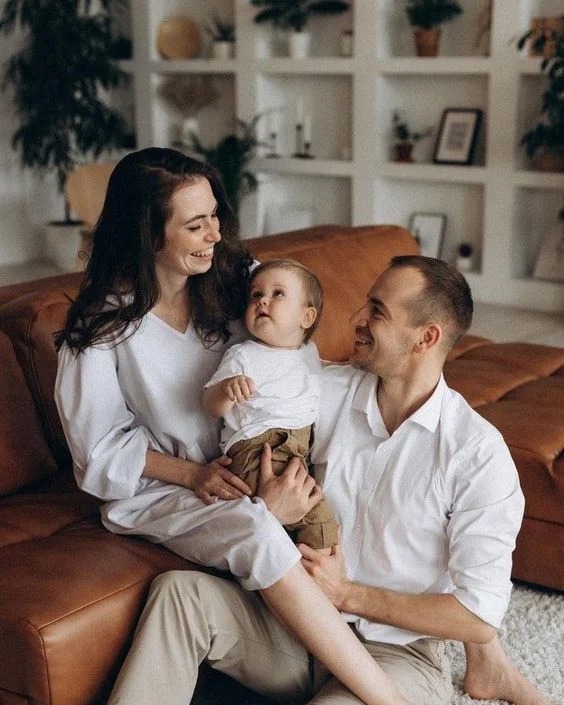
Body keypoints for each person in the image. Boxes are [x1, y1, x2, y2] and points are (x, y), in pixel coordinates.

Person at [54, 147, 415, 705]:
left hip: (251, 464)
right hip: (164, 488)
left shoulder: (234, 285)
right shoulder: (101, 328)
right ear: (149, 234)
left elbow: (297, 325)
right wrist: (196, 477)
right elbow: (97, 452)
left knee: (333, 492)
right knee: (255, 528)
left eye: (215, 217)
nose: (214, 236)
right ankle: (383, 696)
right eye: (195, 226)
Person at [106, 254, 551, 705]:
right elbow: (238, 416)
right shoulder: (319, 389)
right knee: (178, 595)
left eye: (376, 310)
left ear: (426, 338)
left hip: (398, 655)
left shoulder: (476, 454)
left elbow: (476, 617)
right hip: (294, 629)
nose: (356, 319)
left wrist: (349, 595)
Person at [203, 258, 339, 550]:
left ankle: (306, 574)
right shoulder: (243, 355)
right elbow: (211, 405)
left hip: (298, 451)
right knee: (317, 517)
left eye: (278, 293)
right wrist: (227, 389)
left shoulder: (308, 352)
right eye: (256, 295)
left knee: (314, 515)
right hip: (258, 449)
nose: (263, 300)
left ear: (306, 317)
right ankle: (312, 582)